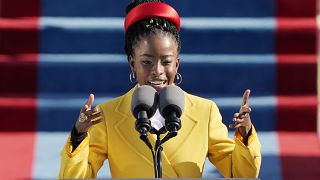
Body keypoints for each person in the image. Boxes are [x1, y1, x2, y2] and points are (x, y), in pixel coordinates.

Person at [59, 0, 261, 178]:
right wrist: (78, 136)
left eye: (166, 61)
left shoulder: (204, 111)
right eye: (146, 62)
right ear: (132, 64)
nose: (157, 71)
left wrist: (245, 134)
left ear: (177, 64)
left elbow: (241, 174)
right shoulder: (108, 115)